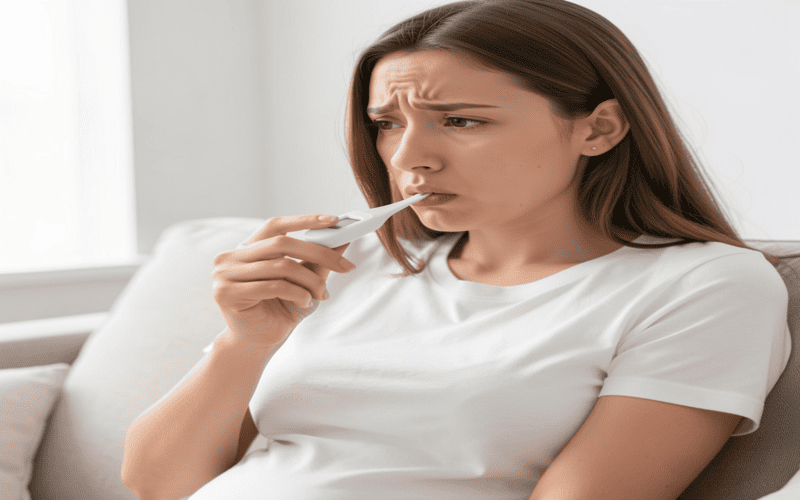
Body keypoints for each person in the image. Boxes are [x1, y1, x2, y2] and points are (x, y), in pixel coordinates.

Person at [121, 1, 796, 499]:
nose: (410, 157)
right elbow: (157, 483)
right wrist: (243, 343)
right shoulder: (352, 264)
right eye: (387, 124)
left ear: (600, 129)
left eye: (462, 121)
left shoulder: (704, 285)